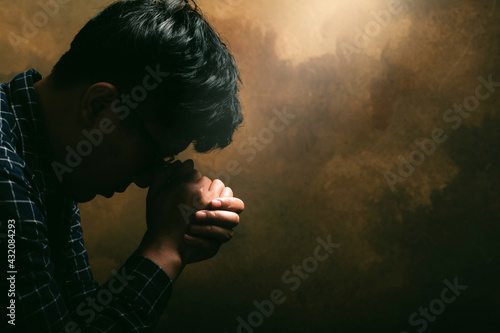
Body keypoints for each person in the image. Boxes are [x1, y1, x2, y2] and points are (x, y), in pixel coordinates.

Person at [0, 0, 245, 332]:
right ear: (100, 106)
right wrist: (165, 249)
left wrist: (169, 243)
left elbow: (79, 319)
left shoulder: (48, 158)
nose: (146, 179)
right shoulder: (6, 178)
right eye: (150, 156)